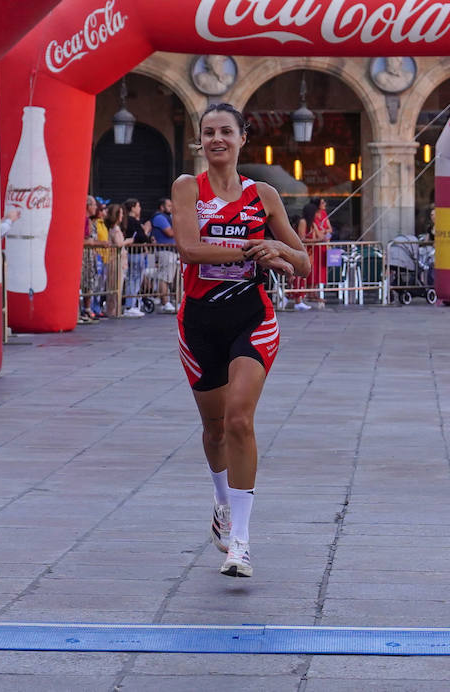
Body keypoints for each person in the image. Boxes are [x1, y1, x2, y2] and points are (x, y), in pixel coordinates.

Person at [172, 103, 310, 578]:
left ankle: (241, 543)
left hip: (251, 316)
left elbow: (303, 262)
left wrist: (281, 249)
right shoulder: (188, 188)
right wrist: (254, 250)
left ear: (241, 138)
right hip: (199, 321)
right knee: (213, 429)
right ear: (200, 141)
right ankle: (221, 501)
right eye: (208, 133)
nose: (217, 140)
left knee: (239, 421)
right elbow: (189, 249)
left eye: (225, 132)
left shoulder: (265, 194)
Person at [295, 198, 332, 310]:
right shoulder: (304, 222)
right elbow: (302, 238)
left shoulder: (311, 223)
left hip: (311, 251)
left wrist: (322, 237)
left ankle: (302, 296)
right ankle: (297, 298)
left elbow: (321, 235)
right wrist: (318, 240)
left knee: (312, 272)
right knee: (300, 275)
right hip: (305, 251)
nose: (325, 204)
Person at [121, 198, 151, 317]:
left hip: (135, 253)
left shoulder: (128, 220)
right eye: (138, 206)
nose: (140, 209)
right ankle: (130, 305)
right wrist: (146, 231)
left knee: (134, 279)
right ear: (133, 207)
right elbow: (141, 237)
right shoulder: (133, 221)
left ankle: (132, 304)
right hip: (135, 253)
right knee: (134, 279)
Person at [149, 196, 178, 312]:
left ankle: (168, 300)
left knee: (169, 277)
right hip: (165, 251)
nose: (171, 208)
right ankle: (165, 302)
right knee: (164, 277)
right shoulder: (159, 217)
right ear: (162, 207)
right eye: (169, 206)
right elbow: (170, 232)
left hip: (170, 251)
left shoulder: (167, 217)